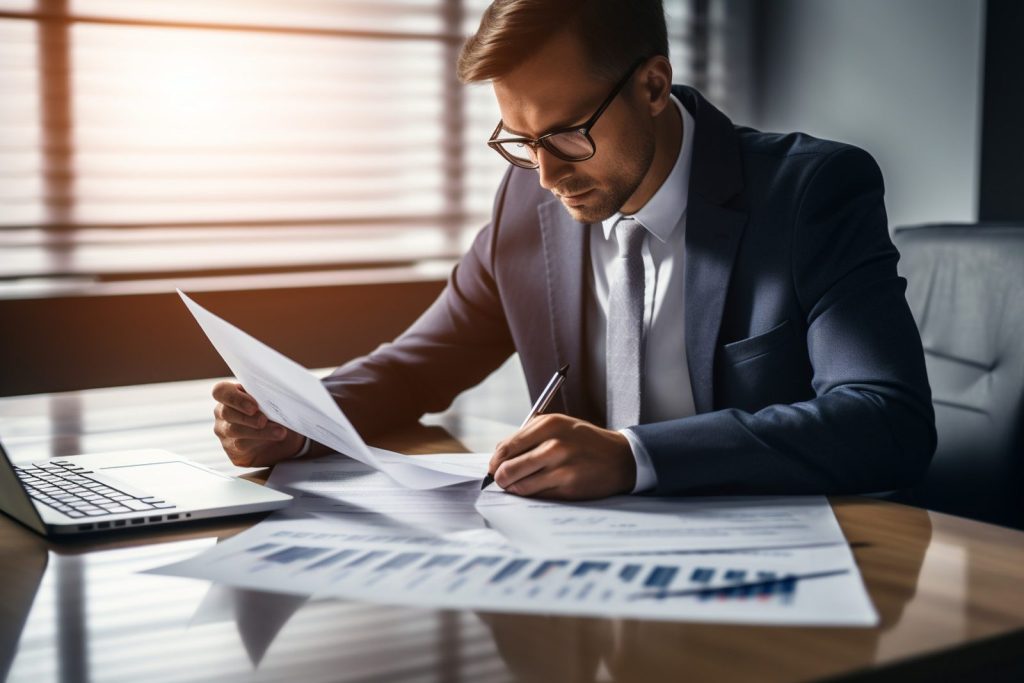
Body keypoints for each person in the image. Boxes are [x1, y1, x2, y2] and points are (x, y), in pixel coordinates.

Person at [212, 0, 936, 501]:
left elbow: (886, 419)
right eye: (520, 140)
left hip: (779, 573)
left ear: (654, 85)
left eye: (565, 133)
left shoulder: (811, 192)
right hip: (586, 565)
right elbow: (419, 366)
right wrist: (298, 420)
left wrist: (634, 457)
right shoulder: (527, 200)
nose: (547, 174)